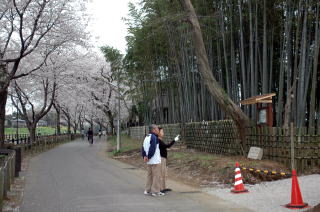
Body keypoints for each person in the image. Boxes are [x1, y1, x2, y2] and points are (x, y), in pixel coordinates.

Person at [141, 124, 164, 196]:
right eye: (157, 129)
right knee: (156, 176)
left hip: (149, 161)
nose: (158, 130)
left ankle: (147, 190)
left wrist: (145, 156)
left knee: (149, 176)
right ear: (153, 129)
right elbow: (153, 148)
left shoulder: (146, 137)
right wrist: (149, 156)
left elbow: (143, 147)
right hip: (155, 160)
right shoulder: (154, 137)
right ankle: (155, 191)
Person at [158, 127, 180, 193]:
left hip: (163, 158)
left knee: (164, 173)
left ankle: (164, 187)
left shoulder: (160, 140)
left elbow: (165, 147)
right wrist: (174, 140)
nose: (163, 133)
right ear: (158, 133)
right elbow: (167, 146)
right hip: (161, 159)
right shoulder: (158, 140)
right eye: (162, 132)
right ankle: (161, 188)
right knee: (162, 173)